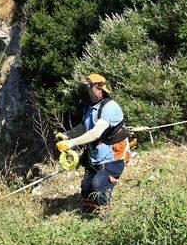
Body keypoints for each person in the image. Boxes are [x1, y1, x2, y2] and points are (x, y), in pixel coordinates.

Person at [55, 74, 131, 209]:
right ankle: (92, 212)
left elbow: (95, 133)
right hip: (95, 155)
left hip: (113, 155)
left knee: (98, 186)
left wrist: (71, 143)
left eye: (86, 91)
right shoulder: (90, 107)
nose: (84, 95)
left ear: (99, 89)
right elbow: (85, 126)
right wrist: (67, 136)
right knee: (86, 188)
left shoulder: (110, 107)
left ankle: (105, 211)